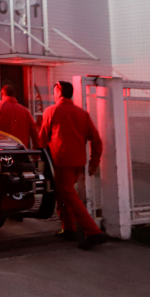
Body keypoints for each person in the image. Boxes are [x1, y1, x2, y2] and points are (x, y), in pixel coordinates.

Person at [39, 81, 106, 250]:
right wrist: (94, 161)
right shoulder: (82, 113)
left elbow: (42, 138)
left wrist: (36, 158)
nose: (53, 94)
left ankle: (93, 231)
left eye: (54, 91)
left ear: (59, 92)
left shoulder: (52, 111)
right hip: (78, 162)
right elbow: (96, 139)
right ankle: (68, 228)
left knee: (68, 195)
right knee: (63, 194)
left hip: (61, 161)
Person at [0, 85, 40, 149]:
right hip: (21, 149)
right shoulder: (25, 111)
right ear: (14, 94)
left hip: (3, 149)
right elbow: (34, 132)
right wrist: (36, 147)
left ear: (2, 93)